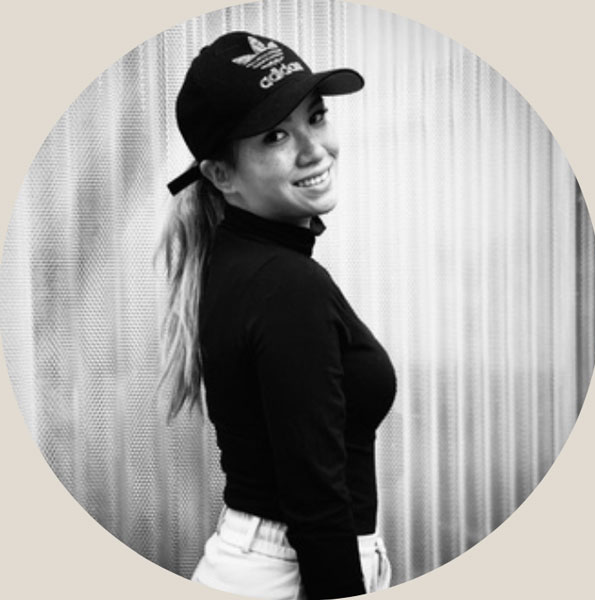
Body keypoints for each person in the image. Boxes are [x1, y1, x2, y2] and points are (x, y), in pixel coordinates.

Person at [159, 31, 396, 600]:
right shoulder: (287, 285)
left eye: (316, 117)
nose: (314, 150)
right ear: (221, 176)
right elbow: (315, 499)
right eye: (275, 135)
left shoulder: (240, 263)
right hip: (292, 572)